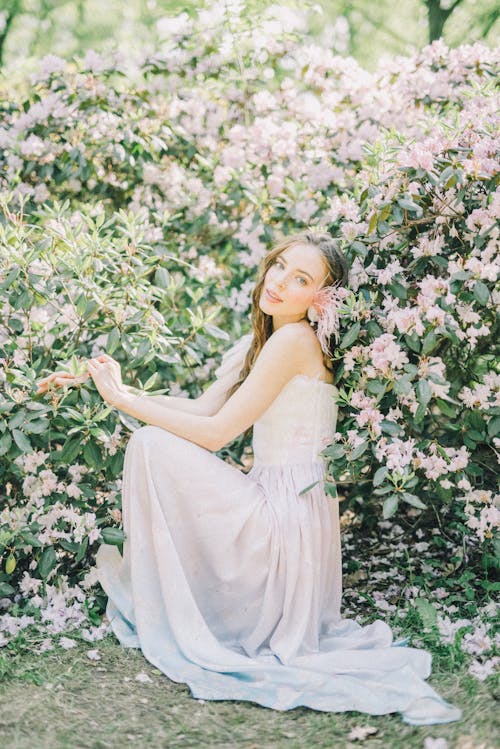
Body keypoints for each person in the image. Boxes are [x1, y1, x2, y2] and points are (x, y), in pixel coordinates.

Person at [36, 229, 462, 725]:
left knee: (150, 444)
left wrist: (124, 403)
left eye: (300, 278)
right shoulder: (265, 341)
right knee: (152, 440)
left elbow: (216, 434)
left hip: (283, 518)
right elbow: (202, 408)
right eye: (280, 265)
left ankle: (192, 602)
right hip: (281, 508)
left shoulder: (296, 340)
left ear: (320, 299)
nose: (280, 281)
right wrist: (112, 385)